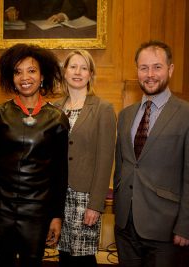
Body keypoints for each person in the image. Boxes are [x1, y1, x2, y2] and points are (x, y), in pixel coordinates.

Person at [113, 40, 189, 267]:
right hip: (125, 227)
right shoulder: (126, 115)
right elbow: (123, 166)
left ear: (170, 69)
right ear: (136, 70)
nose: (150, 74)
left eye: (157, 67)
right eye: (143, 68)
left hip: (165, 229)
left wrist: (187, 226)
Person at [0, 43, 69, 267]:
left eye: (31, 70)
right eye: (18, 71)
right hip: (0, 210)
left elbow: (60, 173)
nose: (24, 77)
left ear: (42, 76)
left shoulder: (57, 118)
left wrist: (57, 216)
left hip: (37, 212)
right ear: (11, 77)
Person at [54, 49, 116, 267]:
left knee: (83, 258)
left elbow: (105, 160)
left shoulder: (103, 109)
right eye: (73, 67)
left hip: (85, 197)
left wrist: (96, 204)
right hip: (58, 196)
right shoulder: (55, 109)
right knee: (62, 255)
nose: (78, 72)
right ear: (65, 72)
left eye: (84, 67)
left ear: (91, 74)